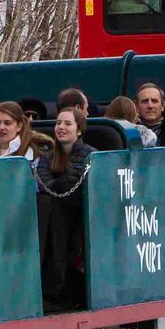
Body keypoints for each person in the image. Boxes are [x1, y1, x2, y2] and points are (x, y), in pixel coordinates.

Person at [34, 107, 93, 310]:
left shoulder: (91, 156)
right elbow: (46, 186)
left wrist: (61, 183)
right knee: (47, 205)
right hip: (55, 216)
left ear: (79, 130)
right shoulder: (46, 157)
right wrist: (62, 183)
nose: (61, 127)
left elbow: (74, 190)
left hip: (81, 217)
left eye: (67, 123)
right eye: (58, 123)